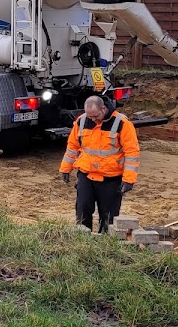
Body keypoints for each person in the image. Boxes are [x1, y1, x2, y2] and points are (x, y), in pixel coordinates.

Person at [58, 94, 140, 233]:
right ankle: (82, 240)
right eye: (89, 116)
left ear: (103, 108)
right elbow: (73, 146)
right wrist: (65, 168)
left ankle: (105, 242)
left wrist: (129, 180)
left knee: (108, 218)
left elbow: (132, 153)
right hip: (86, 176)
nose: (93, 119)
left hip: (111, 179)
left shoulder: (122, 123)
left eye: (95, 116)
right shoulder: (82, 120)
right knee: (82, 212)